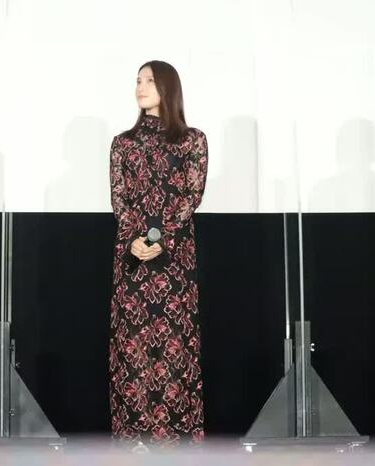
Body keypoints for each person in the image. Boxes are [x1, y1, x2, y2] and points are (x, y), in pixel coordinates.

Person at [108, 60, 207, 446]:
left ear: (168, 87)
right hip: (132, 258)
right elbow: (120, 200)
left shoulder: (192, 140)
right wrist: (134, 240)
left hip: (174, 258)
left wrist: (160, 237)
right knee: (131, 348)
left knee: (173, 348)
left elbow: (191, 196)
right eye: (137, 80)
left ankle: (175, 441)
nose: (140, 86)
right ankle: (133, 440)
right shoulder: (123, 143)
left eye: (149, 80)